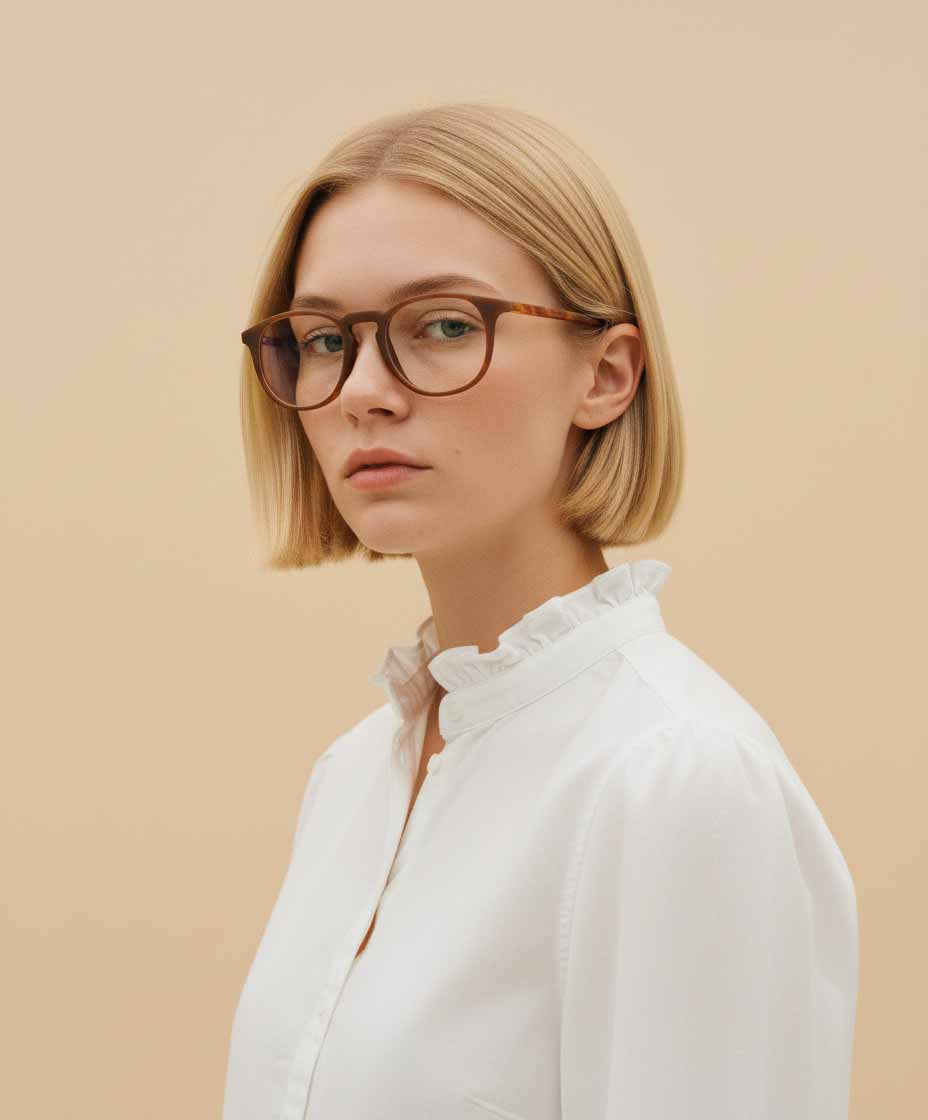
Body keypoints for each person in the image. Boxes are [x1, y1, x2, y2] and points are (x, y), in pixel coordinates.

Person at [223, 102, 859, 1120]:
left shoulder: (670, 776)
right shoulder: (352, 777)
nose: (364, 391)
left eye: (442, 326)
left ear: (605, 374)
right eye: (324, 337)